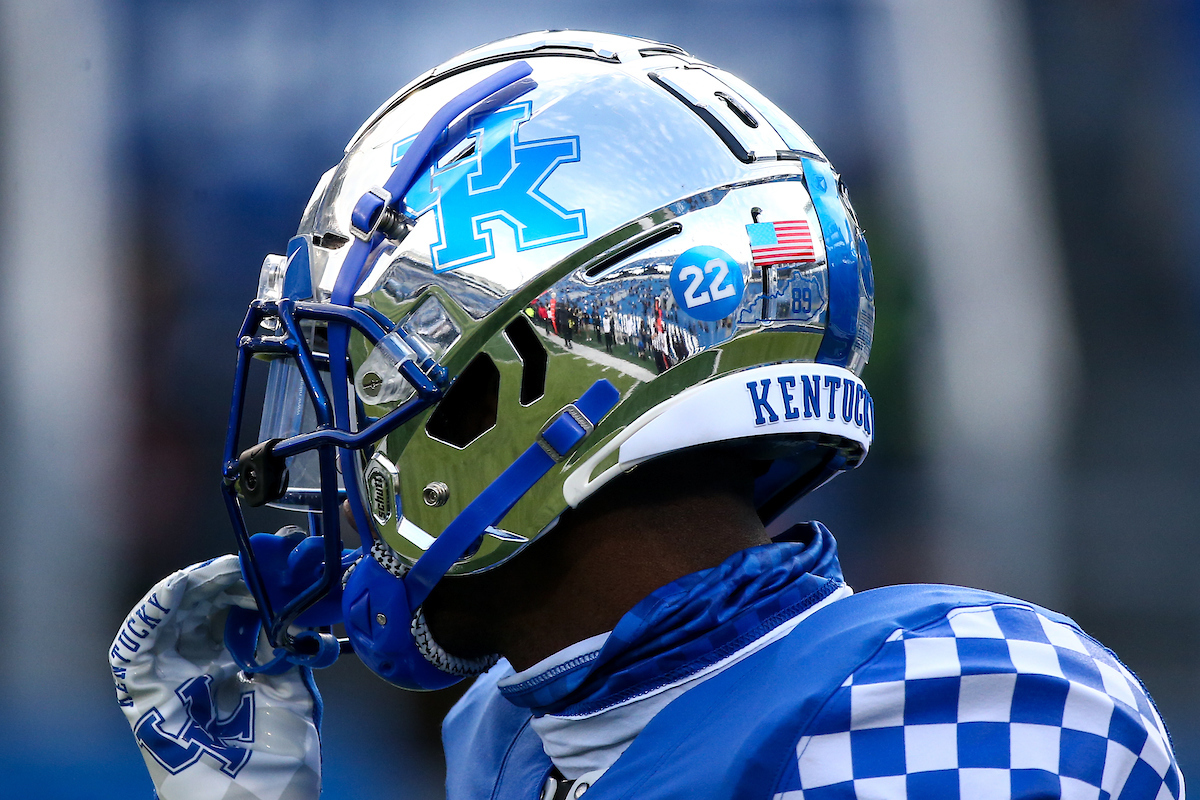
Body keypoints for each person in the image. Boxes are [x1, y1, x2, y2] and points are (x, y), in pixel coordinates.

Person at [111, 31, 1183, 800]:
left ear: (519, 387)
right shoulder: (519, 734)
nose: (339, 453)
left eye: (374, 385)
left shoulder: (973, 696)